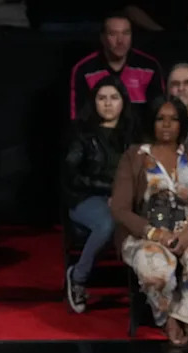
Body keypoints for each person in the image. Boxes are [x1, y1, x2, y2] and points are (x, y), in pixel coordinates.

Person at [111, 96, 188, 345]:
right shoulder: (134, 156)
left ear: (182, 124)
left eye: (173, 120)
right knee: (158, 270)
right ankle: (167, 319)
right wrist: (155, 234)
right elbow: (119, 208)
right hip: (145, 232)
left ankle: (184, 315)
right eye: (160, 119)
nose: (166, 125)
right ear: (151, 122)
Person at [64, 76, 137, 313]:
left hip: (123, 197)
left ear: (123, 102)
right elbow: (72, 176)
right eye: (102, 98)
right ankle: (78, 277)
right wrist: (109, 191)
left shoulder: (133, 134)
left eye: (114, 98)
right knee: (106, 223)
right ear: (94, 102)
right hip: (86, 197)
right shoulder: (82, 134)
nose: (108, 104)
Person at [69, 13, 164, 121]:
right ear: (103, 38)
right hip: (99, 135)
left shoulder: (150, 66)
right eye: (113, 34)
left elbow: (160, 113)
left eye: (126, 33)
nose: (120, 41)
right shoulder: (84, 69)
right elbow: (78, 119)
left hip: (140, 136)